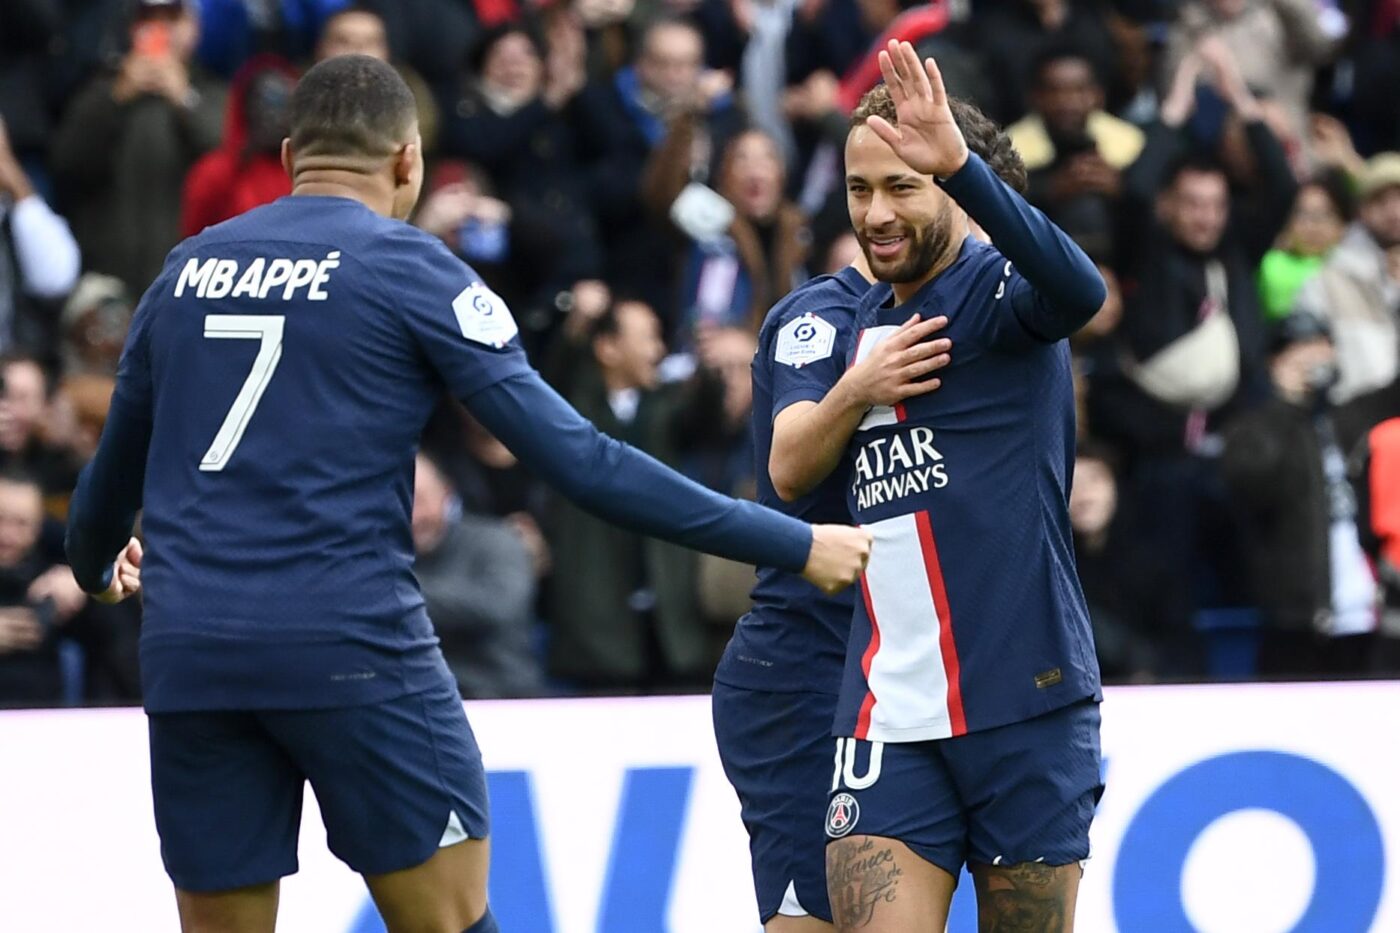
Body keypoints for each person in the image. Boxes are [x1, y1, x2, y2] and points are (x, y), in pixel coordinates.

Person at [62, 55, 871, 933]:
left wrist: (101, 568)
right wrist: (794, 541)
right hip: (349, 645)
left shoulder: (183, 272)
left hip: (193, 651)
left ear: (292, 155)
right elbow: (583, 461)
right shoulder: (407, 266)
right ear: (407, 160)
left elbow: (100, 502)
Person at [772, 43, 1106, 931]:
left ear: (951, 189)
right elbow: (788, 472)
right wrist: (858, 389)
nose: (875, 213)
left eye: (902, 186)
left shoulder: (1000, 296)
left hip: (1028, 697)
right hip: (885, 709)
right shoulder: (841, 328)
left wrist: (958, 162)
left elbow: (1082, 291)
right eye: (859, 190)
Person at [712, 246, 952, 930]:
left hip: (900, 678)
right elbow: (787, 465)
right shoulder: (821, 316)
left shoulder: (954, 320)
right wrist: (857, 387)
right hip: (804, 670)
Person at [411, 453, 543, 699]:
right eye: (401, 501)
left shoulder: (498, 541)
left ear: (447, 494)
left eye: (420, 500)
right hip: (422, 698)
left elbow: (497, 608)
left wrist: (397, 592)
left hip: (503, 697)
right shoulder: (386, 555)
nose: (413, 516)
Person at [1293, 152, 1400, 404]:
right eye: (1381, 200)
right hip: (1359, 415)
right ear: (1361, 210)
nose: (1394, 211)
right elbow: (1303, 352)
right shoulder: (1331, 277)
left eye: (1399, 198)